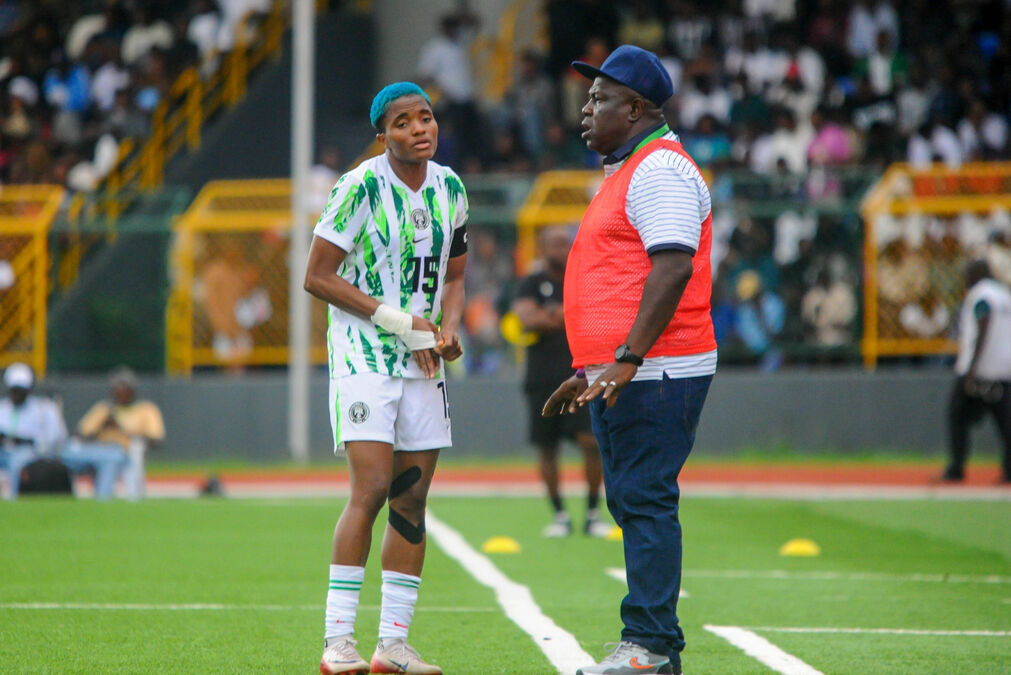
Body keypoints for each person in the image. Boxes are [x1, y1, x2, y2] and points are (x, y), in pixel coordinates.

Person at [542, 45, 717, 675]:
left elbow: (672, 267)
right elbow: (624, 276)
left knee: (644, 500)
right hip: (627, 370)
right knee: (634, 501)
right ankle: (651, 645)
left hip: (656, 368)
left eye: (599, 100)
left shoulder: (658, 171)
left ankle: (648, 646)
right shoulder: (632, 169)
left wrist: (627, 356)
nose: (586, 111)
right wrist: (593, 365)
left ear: (636, 108)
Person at [303, 81, 467, 675]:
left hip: (421, 359)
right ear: (383, 134)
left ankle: (392, 645)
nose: (419, 128)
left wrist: (447, 329)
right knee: (371, 487)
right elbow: (317, 276)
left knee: (413, 496)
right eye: (403, 122)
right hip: (364, 356)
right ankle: (338, 641)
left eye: (426, 117)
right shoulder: (361, 185)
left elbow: (455, 273)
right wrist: (400, 321)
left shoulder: (451, 187)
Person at [512, 226, 607, 538]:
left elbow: (593, 315)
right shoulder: (531, 282)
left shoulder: (582, 280)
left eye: (565, 242)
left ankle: (593, 513)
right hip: (541, 378)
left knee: (590, 444)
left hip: (580, 376)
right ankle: (560, 515)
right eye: (554, 243)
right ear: (542, 247)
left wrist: (551, 315)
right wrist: (566, 316)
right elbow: (527, 318)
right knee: (546, 448)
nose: (561, 248)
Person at [943, 259, 1011, 483]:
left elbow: (984, 320)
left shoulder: (981, 295)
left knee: (957, 416)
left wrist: (972, 368)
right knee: (1005, 422)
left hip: (981, 369)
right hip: (1005, 368)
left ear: (976, 273)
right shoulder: (1004, 294)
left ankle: (956, 468)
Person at [68, 366, 165, 500]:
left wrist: (120, 429)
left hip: (125, 452)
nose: (121, 393)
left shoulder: (146, 409)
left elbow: (157, 440)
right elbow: (79, 433)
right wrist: (100, 428)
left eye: (125, 389)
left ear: (132, 390)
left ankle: (103, 499)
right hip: (96, 450)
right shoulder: (104, 408)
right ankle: (60, 493)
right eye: (118, 389)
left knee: (110, 458)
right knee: (68, 451)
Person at [0, 363, 66, 499]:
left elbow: (53, 438)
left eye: (20, 390)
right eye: (14, 390)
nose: (17, 394)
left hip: (29, 452)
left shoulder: (43, 408)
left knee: (17, 461)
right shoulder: (3, 408)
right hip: (4, 451)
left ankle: (13, 500)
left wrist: (23, 440)